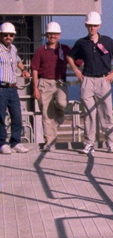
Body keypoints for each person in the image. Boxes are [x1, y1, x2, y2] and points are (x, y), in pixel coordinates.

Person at [67, 11, 113, 154]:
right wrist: (76, 71)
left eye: (94, 25)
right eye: (90, 25)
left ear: (99, 25)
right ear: (86, 26)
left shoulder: (107, 41)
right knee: (89, 114)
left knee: (106, 113)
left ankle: (110, 143)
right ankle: (89, 143)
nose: (92, 28)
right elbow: (70, 56)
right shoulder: (81, 43)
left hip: (103, 80)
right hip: (87, 80)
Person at [31, 21, 70, 151]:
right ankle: (50, 142)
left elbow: (77, 60)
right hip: (44, 83)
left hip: (60, 82)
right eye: (50, 34)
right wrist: (35, 87)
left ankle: (60, 114)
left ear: (59, 35)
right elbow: (35, 69)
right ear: (46, 35)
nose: (53, 36)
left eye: (55, 34)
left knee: (62, 102)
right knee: (47, 114)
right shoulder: (40, 50)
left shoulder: (65, 49)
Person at [0, 21, 31, 155]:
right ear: (1, 35)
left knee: (17, 116)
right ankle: (2, 143)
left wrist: (23, 70)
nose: (8, 37)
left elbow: (17, 60)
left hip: (13, 88)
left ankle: (16, 142)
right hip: (1, 87)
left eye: (11, 35)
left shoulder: (13, 48)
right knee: (1, 117)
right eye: (5, 35)